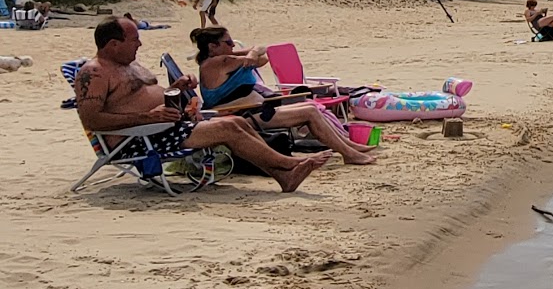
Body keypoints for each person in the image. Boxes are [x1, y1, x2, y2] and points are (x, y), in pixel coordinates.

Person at [74, 17, 330, 192]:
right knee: (228, 127)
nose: (139, 44)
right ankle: (289, 164)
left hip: (163, 127)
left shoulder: (127, 64)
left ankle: (284, 176)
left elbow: (136, 95)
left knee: (238, 121)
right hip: (140, 139)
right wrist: (147, 117)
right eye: (134, 40)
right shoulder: (94, 73)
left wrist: (177, 88)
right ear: (113, 44)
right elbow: (92, 120)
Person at [191, 27, 376, 164]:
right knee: (310, 112)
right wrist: (252, 54)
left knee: (311, 107)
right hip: (242, 115)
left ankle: (348, 146)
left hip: (253, 110)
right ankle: (348, 153)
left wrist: (252, 53)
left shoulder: (222, 59)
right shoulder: (219, 62)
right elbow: (259, 56)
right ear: (213, 46)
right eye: (228, 42)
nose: (232, 46)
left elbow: (261, 52)